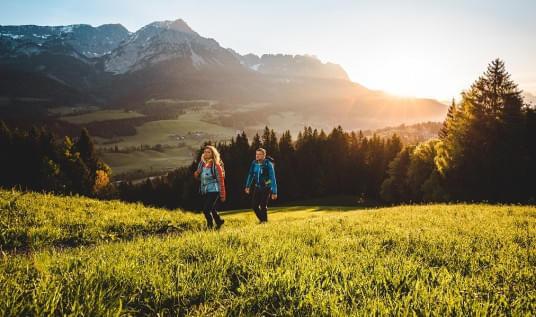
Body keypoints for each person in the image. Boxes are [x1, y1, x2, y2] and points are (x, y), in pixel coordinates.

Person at [194, 145, 226, 229]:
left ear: (213, 154)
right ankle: (219, 221)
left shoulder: (216, 166)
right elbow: (199, 178)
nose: (206, 153)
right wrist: (196, 174)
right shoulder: (201, 164)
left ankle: (210, 226)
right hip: (204, 190)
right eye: (205, 152)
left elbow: (221, 180)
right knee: (211, 208)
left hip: (214, 190)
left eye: (209, 152)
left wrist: (222, 194)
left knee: (206, 210)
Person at [245, 148, 277, 223]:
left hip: (266, 187)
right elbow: (250, 175)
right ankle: (263, 220)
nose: (257, 156)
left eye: (259, 154)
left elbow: (272, 178)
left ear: (264, 156)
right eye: (256, 154)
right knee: (254, 206)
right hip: (257, 187)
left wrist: (274, 192)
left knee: (263, 205)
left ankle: (264, 221)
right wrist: (247, 186)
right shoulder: (254, 163)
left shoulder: (268, 164)